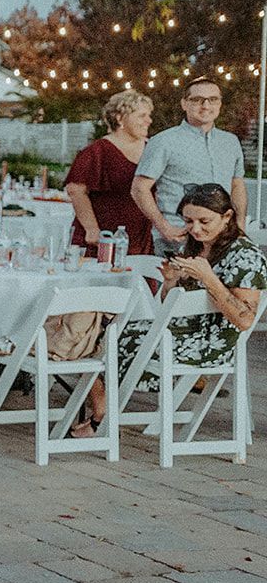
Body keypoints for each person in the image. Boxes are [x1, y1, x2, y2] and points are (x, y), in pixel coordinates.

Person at [69, 182, 265, 436]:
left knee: (108, 337)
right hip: (179, 328)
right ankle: (102, 410)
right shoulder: (197, 245)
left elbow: (245, 319)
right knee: (94, 329)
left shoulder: (245, 256)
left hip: (210, 343)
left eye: (204, 221)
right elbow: (172, 303)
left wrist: (209, 278)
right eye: (188, 221)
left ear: (227, 217)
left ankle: (101, 417)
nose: (195, 229)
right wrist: (171, 280)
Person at [133, 78, 248, 255]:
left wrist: (239, 226)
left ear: (220, 103)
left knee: (224, 284)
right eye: (197, 100)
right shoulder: (163, 141)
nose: (206, 105)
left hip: (224, 239)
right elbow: (139, 189)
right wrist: (164, 227)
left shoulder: (230, 142)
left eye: (213, 99)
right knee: (177, 283)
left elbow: (237, 185)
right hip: (180, 236)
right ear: (184, 103)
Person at [65, 89, 153, 256]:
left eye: (149, 115)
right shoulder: (97, 151)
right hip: (103, 238)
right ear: (120, 117)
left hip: (141, 238)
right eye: (142, 116)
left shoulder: (153, 149)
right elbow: (76, 190)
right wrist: (92, 228)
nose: (148, 121)